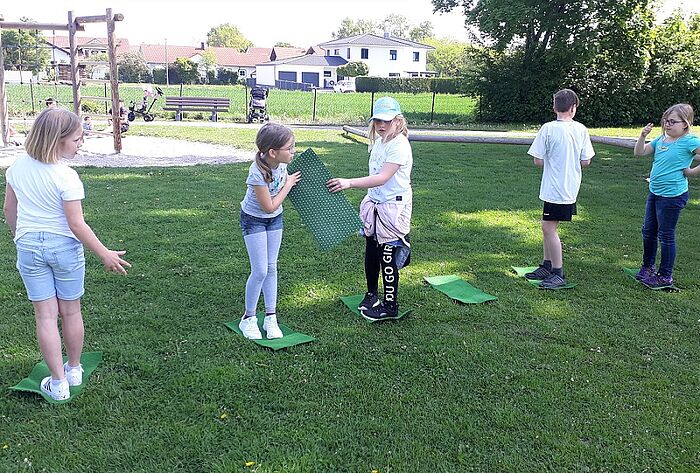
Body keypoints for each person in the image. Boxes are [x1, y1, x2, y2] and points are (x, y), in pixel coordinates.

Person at [2, 108, 131, 401]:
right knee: (71, 310)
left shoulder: (16, 168)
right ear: (57, 141)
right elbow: (75, 223)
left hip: (29, 246)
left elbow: (10, 211)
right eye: (76, 138)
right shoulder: (67, 176)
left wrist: (19, 236)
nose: (80, 143)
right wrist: (104, 253)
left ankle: (58, 384)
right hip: (64, 249)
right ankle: (73, 369)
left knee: (45, 316)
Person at [327, 96, 413, 321]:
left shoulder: (400, 145)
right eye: (377, 121)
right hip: (375, 203)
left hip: (393, 207)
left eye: (386, 121)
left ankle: (390, 306)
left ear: (398, 120)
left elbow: (383, 177)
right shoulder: (379, 142)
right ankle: (372, 294)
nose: (381, 125)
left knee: (388, 256)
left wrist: (349, 183)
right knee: (371, 250)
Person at [525, 89, 594, 289]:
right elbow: (586, 160)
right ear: (573, 108)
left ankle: (558, 272)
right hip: (568, 187)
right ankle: (547, 266)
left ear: (555, 107)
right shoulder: (581, 129)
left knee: (548, 227)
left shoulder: (547, 128)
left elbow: (538, 160)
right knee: (547, 226)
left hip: (555, 188)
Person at [238, 123, 301, 339]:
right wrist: (288, 185)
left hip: (275, 220)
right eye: (290, 148)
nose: (293, 151)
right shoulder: (256, 173)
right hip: (254, 220)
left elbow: (274, 211)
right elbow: (269, 206)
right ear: (273, 152)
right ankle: (248, 318)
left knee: (272, 268)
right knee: (260, 271)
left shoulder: (281, 163)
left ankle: (271, 317)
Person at [633, 103, 700, 288]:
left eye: (672, 121)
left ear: (685, 124)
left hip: (673, 196)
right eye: (665, 120)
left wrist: (692, 172)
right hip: (655, 193)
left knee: (666, 235)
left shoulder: (690, 141)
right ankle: (647, 267)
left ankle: (665, 276)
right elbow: (639, 153)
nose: (667, 124)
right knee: (648, 231)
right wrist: (642, 136)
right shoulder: (661, 139)